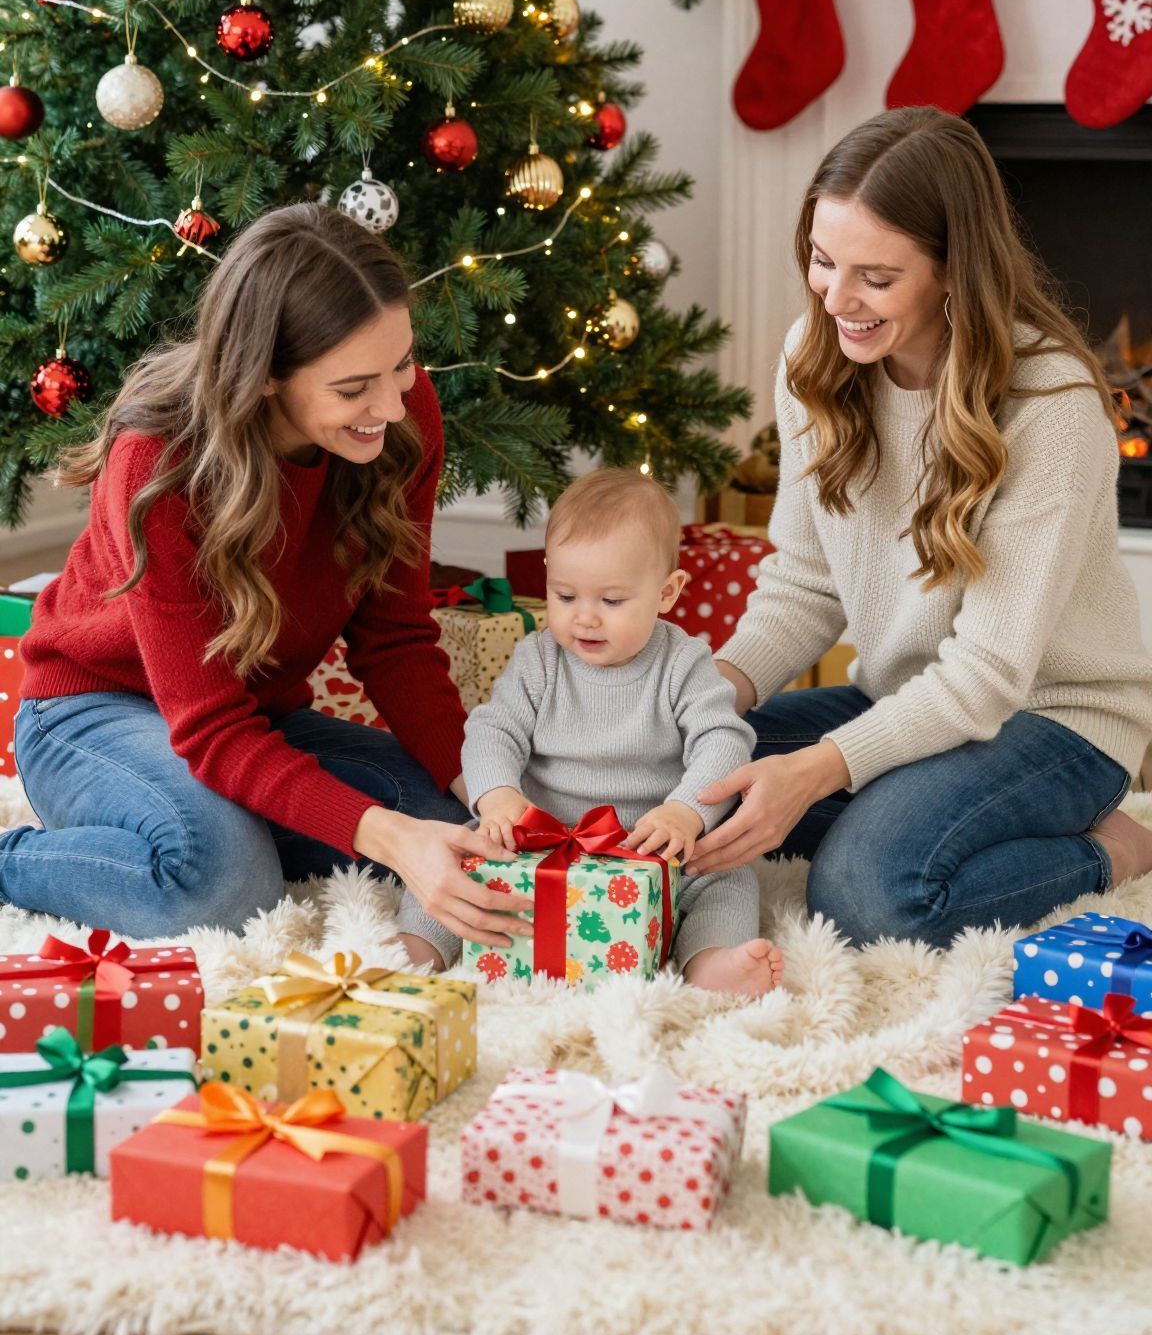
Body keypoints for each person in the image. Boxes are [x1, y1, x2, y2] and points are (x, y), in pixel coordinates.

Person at [0, 202, 532, 951]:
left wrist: (483, 786)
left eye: (403, 364)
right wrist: (382, 836)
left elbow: (398, 642)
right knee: (223, 884)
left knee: (459, 828)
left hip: (249, 720)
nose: (390, 404)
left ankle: (222, 822)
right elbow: (208, 727)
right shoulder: (160, 462)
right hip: (91, 714)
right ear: (267, 377)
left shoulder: (404, 416)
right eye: (353, 389)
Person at [688, 106, 1152, 948]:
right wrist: (698, 703)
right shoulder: (814, 355)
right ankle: (908, 813)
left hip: (1057, 720)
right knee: (687, 767)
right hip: (905, 699)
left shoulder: (1050, 404)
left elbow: (985, 675)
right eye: (823, 262)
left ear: (952, 273)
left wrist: (820, 770)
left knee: (866, 893)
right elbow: (803, 585)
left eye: (876, 277)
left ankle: (1110, 850)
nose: (837, 298)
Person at [395, 468, 784, 994]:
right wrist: (498, 796)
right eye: (566, 595)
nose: (585, 619)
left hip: (651, 848)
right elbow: (493, 731)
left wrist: (686, 810)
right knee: (454, 860)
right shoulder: (539, 660)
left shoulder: (684, 663)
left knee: (724, 880)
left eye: (612, 601)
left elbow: (724, 741)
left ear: (666, 593)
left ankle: (712, 963)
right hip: (539, 839)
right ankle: (418, 948)